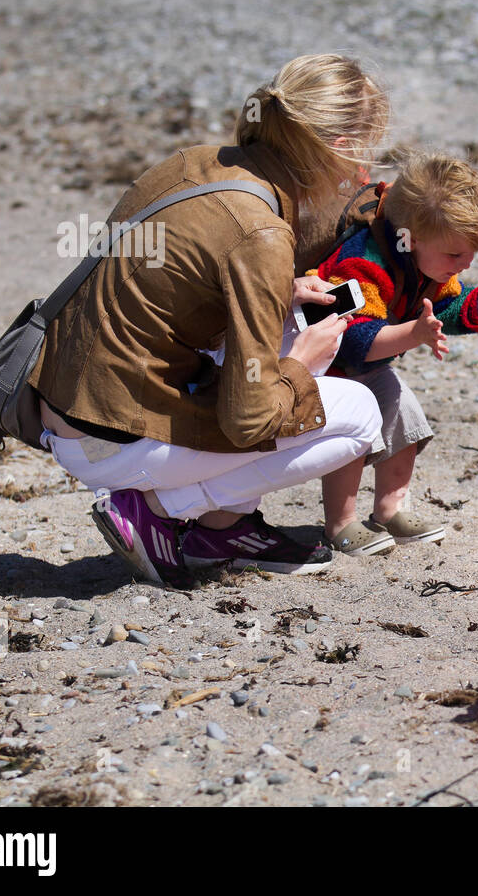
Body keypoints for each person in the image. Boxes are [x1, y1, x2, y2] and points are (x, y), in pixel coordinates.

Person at [28, 54, 390, 586]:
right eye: (362, 156)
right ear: (334, 150)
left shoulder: (199, 162)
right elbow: (251, 418)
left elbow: (171, 280)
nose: (363, 174)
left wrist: (282, 291)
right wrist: (300, 365)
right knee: (359, 413)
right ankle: (157, 507)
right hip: (111, 442)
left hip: (64, 407)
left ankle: (225, 528)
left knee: (284, 326)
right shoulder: (262, 231)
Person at [307, 154, 478, 555]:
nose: (465, 263)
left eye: (472, 254)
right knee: (352, 440)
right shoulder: (364, 262)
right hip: (331, 369)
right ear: (412, 236)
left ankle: (389, 510)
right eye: (456, 256)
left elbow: (444, 308)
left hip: (368, 368)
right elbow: (354, 340)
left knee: (407, 421)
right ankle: (340, 523)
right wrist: (414, 333)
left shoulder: (428, 260)